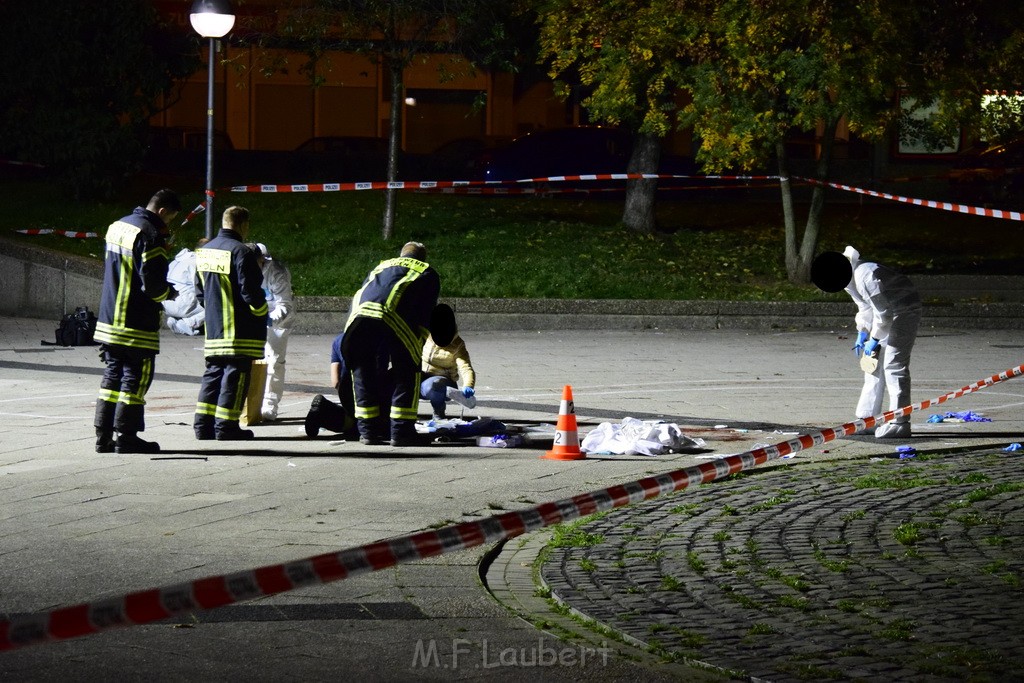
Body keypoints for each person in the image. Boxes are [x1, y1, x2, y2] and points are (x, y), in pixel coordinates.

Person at [93, 188, 181, 454]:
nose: (168, 224)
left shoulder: (118, 225)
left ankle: (103, 437)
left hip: (110, 318)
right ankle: (127, 437)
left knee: (111, 379)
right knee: (135, 380)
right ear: (162, 211)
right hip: (136, 321)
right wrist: (170, 292)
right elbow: (153, 286)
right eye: (170, 219)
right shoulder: (151, 234)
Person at [811, 246, 922, 439]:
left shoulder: (868, 275)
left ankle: (899, 422)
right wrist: (862, 332)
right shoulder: (848, 277)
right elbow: (864, 307)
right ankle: (867, 419)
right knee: (873, 366)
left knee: (894, 365)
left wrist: (874, 339)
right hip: (887, 313)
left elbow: (884, 315)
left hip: (904, 311)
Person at [343, 241, 440, 446]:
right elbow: (425, 311)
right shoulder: (426, 271)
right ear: (422, 257)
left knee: (363, 371)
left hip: (358, 318)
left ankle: (368, 431)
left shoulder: (380, 266)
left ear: (402, 254)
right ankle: (402, 431)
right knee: (407, 371)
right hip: (392, 315)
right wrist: (418, 344)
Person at [193, 206, 268, 441]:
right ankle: (226, 427)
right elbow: (251, 293)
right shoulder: (241, 252)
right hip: (240, 331)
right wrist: (262, 312)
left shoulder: (205, 251)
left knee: (213, 374)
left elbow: (200, 292)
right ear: (243, 225)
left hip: (215, 330)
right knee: (236, 377)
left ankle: (203, 426)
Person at [247, 242, 295, 421]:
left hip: (277, 323)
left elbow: (284, 304)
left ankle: (269, 406)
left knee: (274, 362)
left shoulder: (277, 273)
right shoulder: (244, 267)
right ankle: (248, 405)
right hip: (255, 318)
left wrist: (268, 319)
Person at [420, 303, 476, 420]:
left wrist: (468, 385)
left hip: (443, 381)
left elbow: (466, 367)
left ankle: (438, 411)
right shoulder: (426, 334)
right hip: (421, 375)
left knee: (434, 385)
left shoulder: (458, 345)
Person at [162, 239, 207, 336]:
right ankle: (188, 323)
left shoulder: (177, 260)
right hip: (182, 305)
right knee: (216, 306)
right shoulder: (199, 262)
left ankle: (175, 320)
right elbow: (205, 287)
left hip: (166, 304)